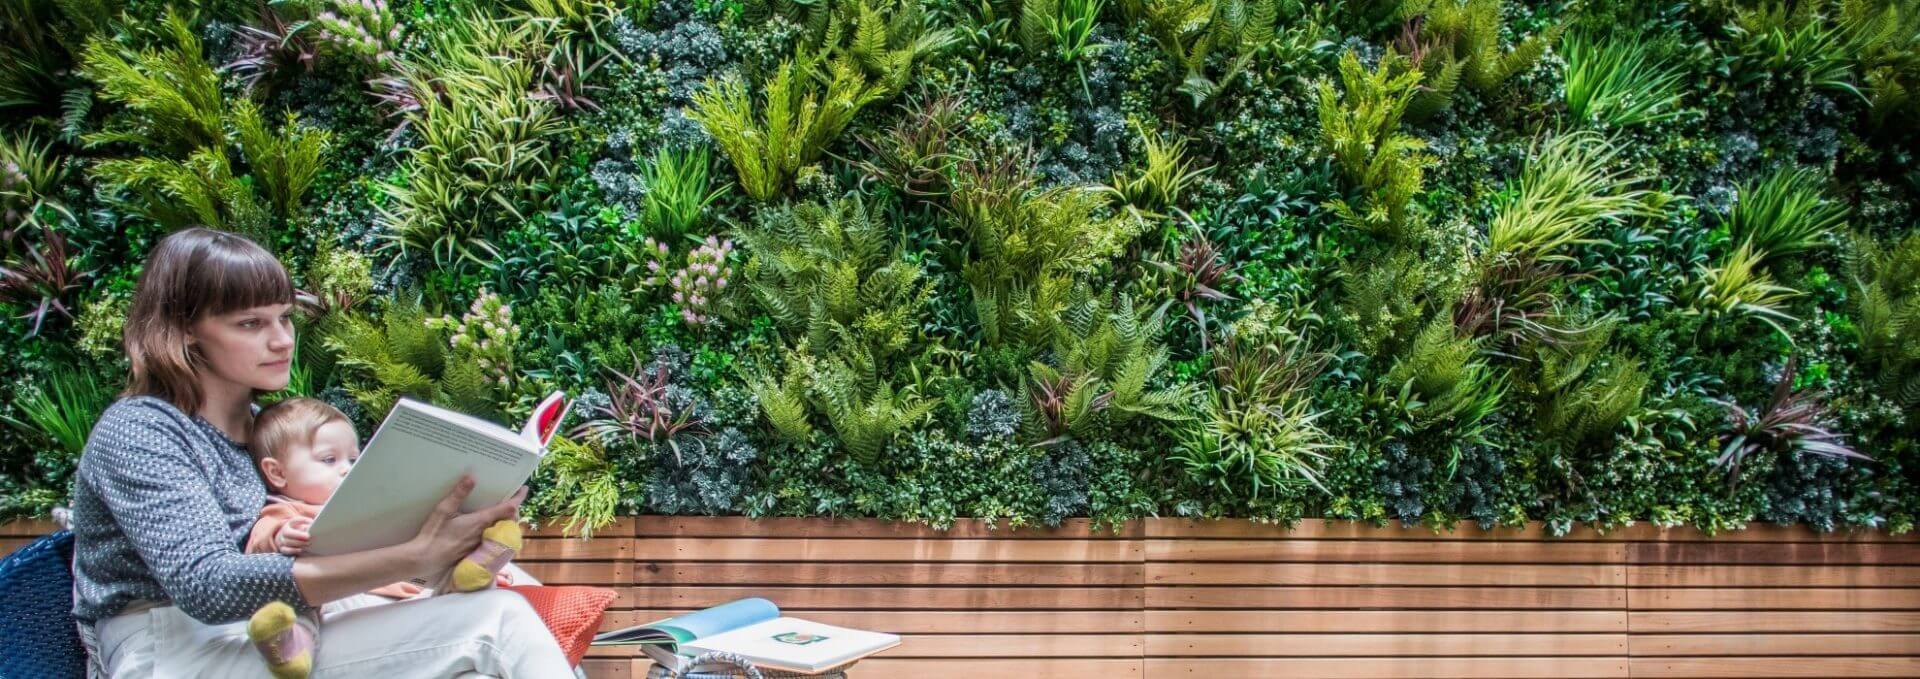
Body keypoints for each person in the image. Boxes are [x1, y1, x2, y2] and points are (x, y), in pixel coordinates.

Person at [67, 227, 574, 678]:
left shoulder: (267, 429)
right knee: (497, 623)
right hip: (177, 649)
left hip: (283, 630)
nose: (282, 340)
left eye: (285, 318)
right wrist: (413, 556)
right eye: (250, 324)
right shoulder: (141, 431)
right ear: (182, 332)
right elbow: (208, 586)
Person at [239, 397, 529, 678]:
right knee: (295, 596)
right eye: (329, 459)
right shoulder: (289, 510)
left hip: (405, 598)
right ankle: (290, 644)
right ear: (276, 473)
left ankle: (477, 568)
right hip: (339, 603)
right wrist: (281, 536)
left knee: (450, 586)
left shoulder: (370, 507)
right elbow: (260, 544)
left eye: (353, 459)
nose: (345, 469)